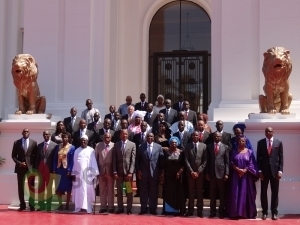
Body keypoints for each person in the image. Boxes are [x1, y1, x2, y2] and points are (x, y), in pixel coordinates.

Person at [226, 136, 258, 219]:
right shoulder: (233, 151)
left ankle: (245, 213)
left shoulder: (250, 152)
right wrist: (238, 169)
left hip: (246, 178)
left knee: (245, 194)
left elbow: (252, 164)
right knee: (235, 194)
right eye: (239, 141)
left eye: (243, 141)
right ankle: (235, 213)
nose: (241, 142)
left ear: (245, 142)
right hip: (235, 177)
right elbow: (231, 162)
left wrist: (244, 170)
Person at [257, 127, 283, 221]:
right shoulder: (260, 143)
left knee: (275, 193)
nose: (268, 132)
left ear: (273, 132)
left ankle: (274, 213)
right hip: (264, 172)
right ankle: (264, 212)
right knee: (263, 192)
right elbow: (258, 158)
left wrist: (280, 171)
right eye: (266, 131)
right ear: (265, 133)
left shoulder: (278, 142)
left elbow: (281, 158)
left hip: (275, 172)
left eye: (270, 131)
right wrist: (259, 171)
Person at [136, 133, 164, 215]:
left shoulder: (158, 147)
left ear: (154, 138)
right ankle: (143, 208)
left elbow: (161, 160)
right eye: (148, 136)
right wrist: (138, 170)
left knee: (153, 192)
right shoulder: (141, 146)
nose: (149, 137)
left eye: (151, 136)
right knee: (143, 191)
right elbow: (137, 160)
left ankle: (152, 209)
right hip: (144, 173)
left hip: (154, 173)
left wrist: (161, 171)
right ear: (146, 137)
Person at [72, 135, 99, 213]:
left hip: (88, 176)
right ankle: (78, 207)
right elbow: (74, 163)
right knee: (79, 191)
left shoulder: (91, 151)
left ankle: (87, 207)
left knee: (87, 191)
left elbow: (93, 162)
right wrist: (73, 173)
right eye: (82, 140)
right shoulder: (76, 151)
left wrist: (94, 174)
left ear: (87, 141)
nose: (83, 142)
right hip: (78, 175)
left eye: (85, 140)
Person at [11, 128, 37, 211]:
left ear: (29, 133)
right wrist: (20, 163)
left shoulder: (34, 142)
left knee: (31, 187)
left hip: (30, 168)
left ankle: (32, 205)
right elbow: (13, 156)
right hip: (20, 168)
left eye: (27, 131)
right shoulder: (16, 142)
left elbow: (35, 156)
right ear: (22, 133)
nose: (26, 133)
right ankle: (22, 205)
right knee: (21, 187)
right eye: (24, 131)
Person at [206, 132, 229, 219]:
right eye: (215, 136)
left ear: (221, 138)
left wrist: (227, 173)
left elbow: (227, 161)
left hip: (221, 174)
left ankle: (221, 212)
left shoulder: (225, 147)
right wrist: (207, 173)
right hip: (211, 174)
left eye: (218, 136)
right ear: (213, 137)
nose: (216, 137)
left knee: (222, 195)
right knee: (212, 195)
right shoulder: (209, 146)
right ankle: (212, 212)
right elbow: (207, 161)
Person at [113, 129, 136, 215]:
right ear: (120, 135)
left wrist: (131, 172)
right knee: (119, 192)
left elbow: (133, 160)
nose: (124, 135)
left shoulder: (132, 145)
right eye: (123, 134)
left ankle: (129, 208)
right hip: (119, 173)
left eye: (126, 134)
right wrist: (114, 171)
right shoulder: (116, 145)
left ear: (128, 135)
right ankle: (120, 208)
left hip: (128, 174)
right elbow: (114, 159)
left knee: (129, 191)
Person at [161, 136, 185, 216]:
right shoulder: (166, 152)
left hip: (178, 177)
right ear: (170, 143)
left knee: (178, 193)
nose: (173, 144)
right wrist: (163, 176)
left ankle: (177, 210)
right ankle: (168, 210)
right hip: (168, 176)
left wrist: (179, 172)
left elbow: (183, 164)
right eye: (172, 142)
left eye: (175, 142)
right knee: (168, 193)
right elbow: (164, 165)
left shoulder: (181, 152)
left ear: (177, 143)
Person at [184, 131, 207, 218]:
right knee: (191, 193)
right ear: (191, 136)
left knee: (200, 193)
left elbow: (205, 160)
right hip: (190, 174)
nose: (195, 136)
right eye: (193, 135)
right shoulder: (188, 146)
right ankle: (190, 210)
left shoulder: (203, 146)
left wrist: (198, 171)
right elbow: (186, 160)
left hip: (200, 174)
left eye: (196, 135)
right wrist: (191, 171)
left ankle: (199, 211)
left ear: (199, 136)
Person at [35, 130, 58, 211]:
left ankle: (48, 206)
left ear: (50, 135)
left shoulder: (55, 145)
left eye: (47, 134)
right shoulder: (39, 145)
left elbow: (55, 159)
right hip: (41, 170)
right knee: (40, 189)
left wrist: (54, 169)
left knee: (48, 189)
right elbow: (37, 159)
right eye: (44, 134)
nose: (45, 136)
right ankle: (41, 205)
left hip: (50, 170)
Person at [53, 132, 75, 211]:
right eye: (63, 137)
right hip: (59, 169)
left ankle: (67, 204)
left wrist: (70, 170)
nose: (65, 139)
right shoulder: (58, 147)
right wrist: (54, 169)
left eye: (66, 137)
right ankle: (60, 204)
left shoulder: (72, 147)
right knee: (58, 188)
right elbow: (55, 158)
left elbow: (72, 160)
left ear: (68, 138)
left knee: (68, 188)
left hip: (66, 170)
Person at [95, 132, 115, 214]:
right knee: (102, 190)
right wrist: (96, 171)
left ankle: (111, 207)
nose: (107, 139)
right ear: (103, 138)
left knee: (111, 190)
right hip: (101, 171)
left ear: (111, 138)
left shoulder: (114, 146)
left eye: (108, 137)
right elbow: (96, 158)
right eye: (105, 137)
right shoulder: (98, 145)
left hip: (110, 171)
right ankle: (103, 206)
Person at [131, 121, 149, 197]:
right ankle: (137, 192)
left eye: (144, 125)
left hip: (146, 158)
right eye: (141, 126)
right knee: (138, 175)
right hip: (138, 157)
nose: (143, 127)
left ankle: (146, 192)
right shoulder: (136, 136)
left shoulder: (149, 136)